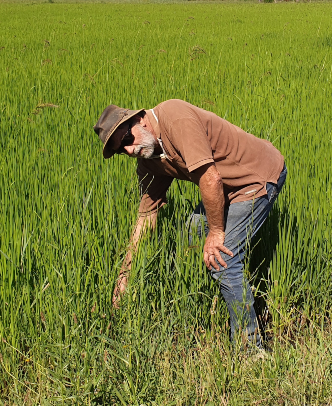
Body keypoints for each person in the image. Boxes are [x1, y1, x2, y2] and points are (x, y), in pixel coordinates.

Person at [94, 99, 287, 349]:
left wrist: (217, 232)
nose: (129, 150)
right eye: (122, 150)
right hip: (224, 185)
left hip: (256, 178)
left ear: (139, 119)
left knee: (223, 260)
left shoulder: (175, 117)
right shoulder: (149, 160)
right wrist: (125, 275)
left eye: (127, 139)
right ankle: (209, 309)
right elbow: (146, 218)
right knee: (192, 237)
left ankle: (250, 348)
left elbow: (210, 178)